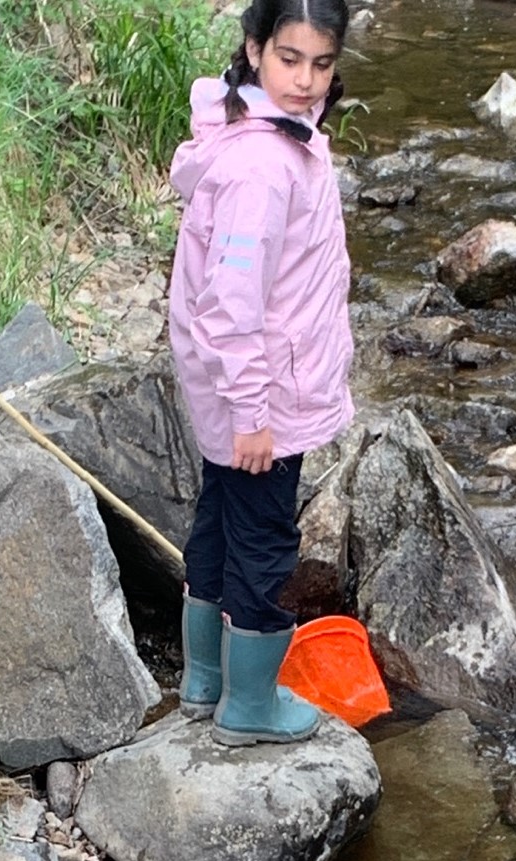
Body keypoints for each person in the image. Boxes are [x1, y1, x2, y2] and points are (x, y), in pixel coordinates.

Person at [168, 0, 354, 745]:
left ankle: (202, 680)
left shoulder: (261, 133)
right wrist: (253, 412)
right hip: (264, 393)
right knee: (263, 540)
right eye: (288, 59)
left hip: (242, 385)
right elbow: (232, 302)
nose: (305, 81)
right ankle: (248, 706)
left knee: (219, 519)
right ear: (253, 50)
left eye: (321, 63)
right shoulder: (262, 168)